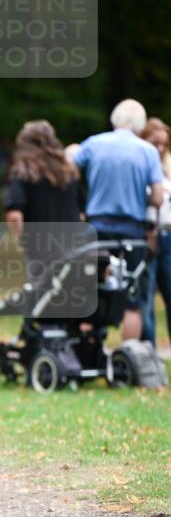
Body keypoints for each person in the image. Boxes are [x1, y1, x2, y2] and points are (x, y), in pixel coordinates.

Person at [68, 99, 164, 340]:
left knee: (92, 287)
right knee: (133, 298)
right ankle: (128, 358)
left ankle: (87, 350)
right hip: (132, 231)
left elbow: (68, 169)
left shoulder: (95, 143)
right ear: (140, 124)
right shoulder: (148, 151)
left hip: (97, 227)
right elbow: (159, 198)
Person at [4, 120, 82, 282]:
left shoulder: (23, 171)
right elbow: (81, 214)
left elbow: (14, 215)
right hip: (72, 244)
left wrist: (20, 240)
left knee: (42, 294)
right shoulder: (68, 171)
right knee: (70, 294)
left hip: (39, 245)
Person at [141, 117, 171, 345]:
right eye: (155, 142)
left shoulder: (169, 166)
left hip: (168, 235)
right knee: (146, 295)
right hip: (147, 233)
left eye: (163, 143)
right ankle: (148, 348)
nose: (159, 148)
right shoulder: (139, 163)